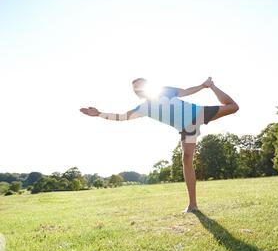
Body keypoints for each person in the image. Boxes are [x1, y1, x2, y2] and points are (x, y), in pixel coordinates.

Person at [80, 77, 239, 213]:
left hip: (197, 113)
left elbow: (186, 91)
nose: (139, 89)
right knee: (186, 161)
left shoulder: (166, 90)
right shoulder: (144, 108)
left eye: (141, 85)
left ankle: (213, 86)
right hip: (187, 129)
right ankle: (192, 205)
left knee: (233, 107)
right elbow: (122, 117)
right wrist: (99, 114)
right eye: (136, 89)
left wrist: (204, 86)